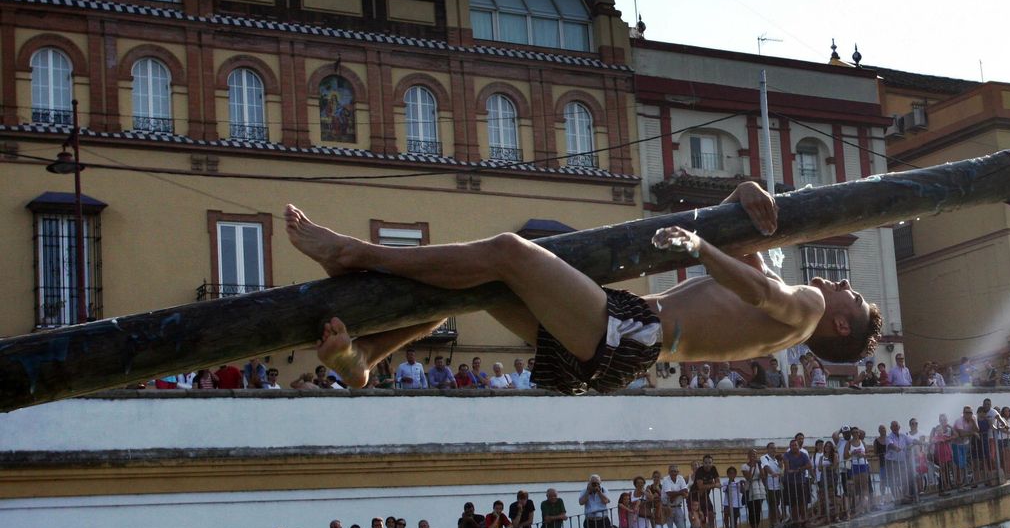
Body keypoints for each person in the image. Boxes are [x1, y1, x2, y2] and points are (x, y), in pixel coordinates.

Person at [282, 182, 881, 399]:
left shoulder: (804, 309)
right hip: (621, 348)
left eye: (851, 299)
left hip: (629, 332)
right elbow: (737, 244)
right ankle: (366, 362)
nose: (842, 286)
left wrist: (700, 251)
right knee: (486, 287)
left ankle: (356, 254)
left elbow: (755, 289)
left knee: (509, 253)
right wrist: (742, 191)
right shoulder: (792, 322)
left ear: (840, 327)